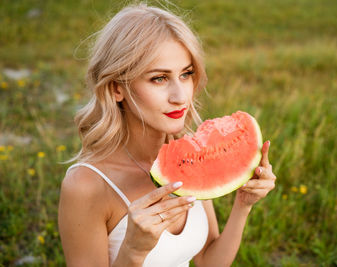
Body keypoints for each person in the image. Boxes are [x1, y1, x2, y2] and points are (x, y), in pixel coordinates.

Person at [58, 3, 277, 267]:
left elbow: (208, 261)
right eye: (159, 78)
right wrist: (133, 251)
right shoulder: (85, 186)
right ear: (117, 89)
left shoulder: (190, 156)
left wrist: (243, 205)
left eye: (186, 74)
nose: (180, 96)